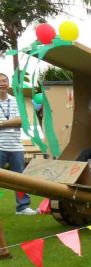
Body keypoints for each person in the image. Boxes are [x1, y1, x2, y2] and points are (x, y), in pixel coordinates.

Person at [0, 73, 37, 215]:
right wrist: (12, 122)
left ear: (8, 83)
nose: (2, 83)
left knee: (20, 179)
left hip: (16, 146)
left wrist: (2, 123)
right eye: (0, 81)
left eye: (4, 81)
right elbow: (15, 121)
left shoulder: (16, 100)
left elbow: (22, 121)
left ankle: (22, 207)